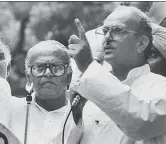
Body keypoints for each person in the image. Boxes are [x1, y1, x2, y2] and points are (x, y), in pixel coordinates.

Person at [67, 6, 166, 144]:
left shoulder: (160, 87)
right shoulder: (89, 92)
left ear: (141, 43)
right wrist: (77, 117)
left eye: (118, 31)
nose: (107, 37)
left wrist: (88, 67)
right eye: (105, 31)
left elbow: (140, 124)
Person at [7, 40, 84, 144]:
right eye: (40, 68)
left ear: (69, 76)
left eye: (56, 67)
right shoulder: (11, 109)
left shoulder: (82, 114)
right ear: (28, 77)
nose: (48, 73)